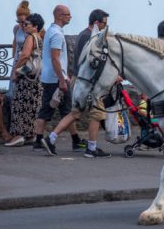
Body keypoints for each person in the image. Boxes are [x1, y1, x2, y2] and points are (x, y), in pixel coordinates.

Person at [40, 8, 111, 158]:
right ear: (97, 22)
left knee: (75, 113)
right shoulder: (91, 37)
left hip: (79, 80)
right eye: (104, 23)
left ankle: (51, 138)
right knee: (97, 113)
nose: (106, 26)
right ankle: (91, 148)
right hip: (88, 83)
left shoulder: (83, 34)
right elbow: (92, 63)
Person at [32, 5, 88, 156]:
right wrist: (62, 80)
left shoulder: (51, 31)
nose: (70, 16)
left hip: (49, 77)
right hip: (56, 79)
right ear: (59, 16)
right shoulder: (56, 34)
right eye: (67, 14)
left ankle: (39, 141)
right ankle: (70, 141)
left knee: (56, 109)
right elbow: (55, 59)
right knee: (67, 110)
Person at [5, 13, 45, 147]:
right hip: (35, 78)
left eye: (27, 24)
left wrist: (16, 71)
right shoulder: (39, 37)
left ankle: (18, 136)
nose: (24, 26)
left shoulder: (30, 37)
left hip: (26, 78)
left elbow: (25, 55)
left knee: (20, 105)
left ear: (35, 26)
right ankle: (30, 135)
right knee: (31, 107)